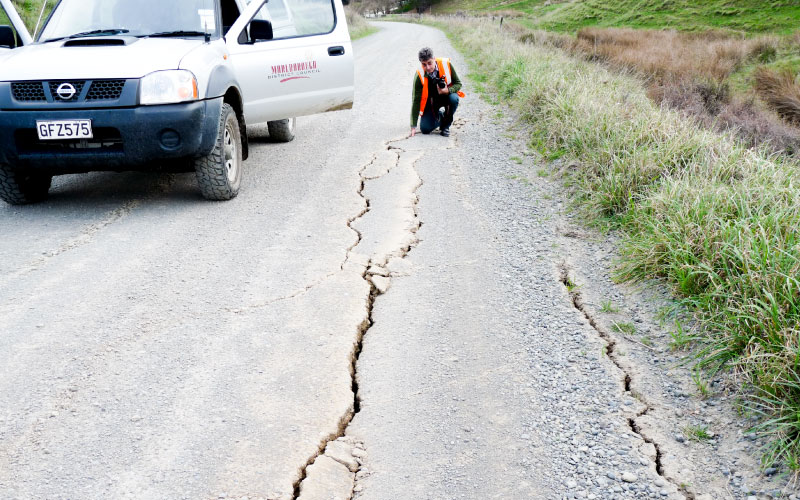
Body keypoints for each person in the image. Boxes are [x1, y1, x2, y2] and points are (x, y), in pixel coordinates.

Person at [410, 47, 464, 137]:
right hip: (430, 102)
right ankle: (441, 116)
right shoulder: (419, 74)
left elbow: (458, 83)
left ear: (434, 59)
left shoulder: (446, 64)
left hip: (447, 97)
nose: (427, 67)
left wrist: (448, 90)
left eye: (429, 63)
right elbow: (416, 100)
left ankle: (445, 126)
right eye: (424, 64)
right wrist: (413, 125)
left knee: (454, 98)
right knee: (425, 129)